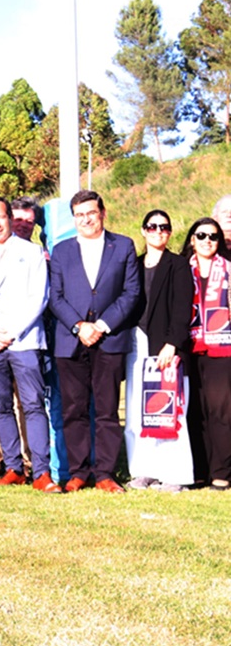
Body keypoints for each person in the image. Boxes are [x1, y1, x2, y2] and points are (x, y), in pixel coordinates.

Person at [0, 197, 59, 492]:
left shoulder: (30, 252)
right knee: (0, 406)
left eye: (1, 217)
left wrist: (12, 332)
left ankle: (41, 471)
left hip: (24, 341)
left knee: (32, 405)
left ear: (9, 218)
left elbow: (39, 297)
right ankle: (13, 467)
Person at [48, 190, 141, 493]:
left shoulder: (123, 246)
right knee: (73, 409)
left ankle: (104, 473)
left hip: (109, 339)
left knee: (106, 409)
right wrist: (79, 327)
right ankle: (78, 472)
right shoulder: (61, 251)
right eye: (78, 215)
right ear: (73, 218)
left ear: (102, 212)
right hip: (70, 340)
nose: (85, 219)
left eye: (90, 212)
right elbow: (55, 297)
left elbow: (131, 293)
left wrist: (100, 326)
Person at [122, 210, 194, 492]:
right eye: (152, 227)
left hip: (165, 346)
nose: (158, 231)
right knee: (136, 410)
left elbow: (182, 308)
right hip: (135, 342)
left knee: (169, 409)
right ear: (143, 231)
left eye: (164, 227)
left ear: (170, 232)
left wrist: (172, 343)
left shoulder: (178, 265)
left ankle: (175, 474)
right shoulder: (134, 265)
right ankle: (142, 470)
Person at [182, 217, 231, 491]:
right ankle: (198, 470)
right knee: (194, 410)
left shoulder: (228, 269)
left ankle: (221, 472)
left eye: (213, 236)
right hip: (189, 347)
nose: (207, 240)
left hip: (222, 348)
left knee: (221, 411)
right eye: (201, 235)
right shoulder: (181, 269)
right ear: (192, 239)